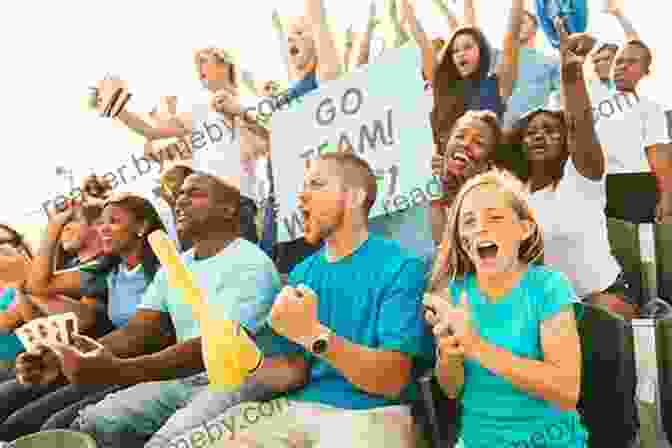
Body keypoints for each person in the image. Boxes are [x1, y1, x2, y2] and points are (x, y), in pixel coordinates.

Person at [19, 172, 281, 448]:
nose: (180, 201)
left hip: (239, 379)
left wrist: (117, 370)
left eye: (195, 193)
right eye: (179, 194)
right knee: (93, 422)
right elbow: (139, 330)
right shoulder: (178, 263)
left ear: (228, 209)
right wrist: (61, 358)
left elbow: (210, 348)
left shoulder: (250, 263)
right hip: (186, 378)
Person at [206, 152, 432, 448]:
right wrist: (249, 361)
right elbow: (295, 372)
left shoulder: (402, 267)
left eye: (316, 184)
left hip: (374, 415)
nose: (301, 197)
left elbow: (392, 380)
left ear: (353, 197)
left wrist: (313, 335)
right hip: (296, 410)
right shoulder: (303, 271)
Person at [424, 169, 588, 448]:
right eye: (469, 221)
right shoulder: (454, 294)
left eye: (495, 217)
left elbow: (566, 390)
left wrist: (476, 346)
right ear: (462, 240)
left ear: (524, 229)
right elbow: (452, 389)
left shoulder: (548, 286)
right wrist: (449, 355)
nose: (480, 228)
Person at [0, 194, 165, 441]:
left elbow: (136, 332)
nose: (104, 228)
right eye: (101, 222)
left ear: (141, 227)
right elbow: (38, 285)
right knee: (18, 417)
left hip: (138, 367)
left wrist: (60, 357)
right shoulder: (108, 270)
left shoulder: (163, 269)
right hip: (103, 360)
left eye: (114, 221)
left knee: (41, 423)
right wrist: (55, 225)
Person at [427, 0, 524, 145]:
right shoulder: (445, 89)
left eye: (467, 47)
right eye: (455, 51)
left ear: (482, 51)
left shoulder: (496, 85)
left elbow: (512, 37)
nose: (460, 54)